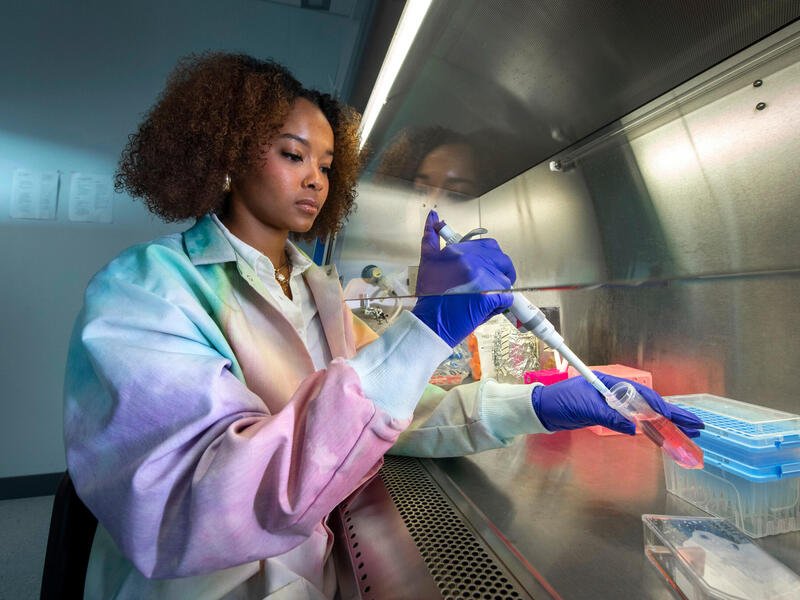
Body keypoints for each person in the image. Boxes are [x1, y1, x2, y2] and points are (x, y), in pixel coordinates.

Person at [64, 52, 703, 600]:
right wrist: (422, 330)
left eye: (326, 163)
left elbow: (404, 413)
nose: (315, 177)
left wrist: (539, 403)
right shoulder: (146, 291)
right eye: (293, 154)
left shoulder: (321, 289)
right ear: (229, 153)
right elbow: (192, 505)